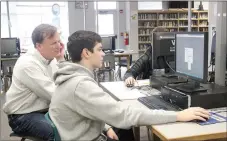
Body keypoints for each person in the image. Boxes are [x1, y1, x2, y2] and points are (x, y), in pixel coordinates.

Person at [49, 30, 210, 141]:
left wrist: (105, 127)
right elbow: (125, 115)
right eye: (99, 49)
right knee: (127, 123)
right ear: (86, 53)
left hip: (83, 134)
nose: (104, 53)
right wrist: (178, 116)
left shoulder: (72, 77)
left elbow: (93, 109)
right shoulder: (80, 85)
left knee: (123, 128)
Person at [3, 24, 65, 140]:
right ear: (39, 46)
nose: (59, 46)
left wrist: (61, 58)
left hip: (44, 110)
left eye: (58, 41)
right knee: (56, 133)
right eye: (53, 43)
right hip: (22, 116)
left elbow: (63, 81)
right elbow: (54, 93)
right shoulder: (28, 64)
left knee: (75, 124)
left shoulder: (50, 59)